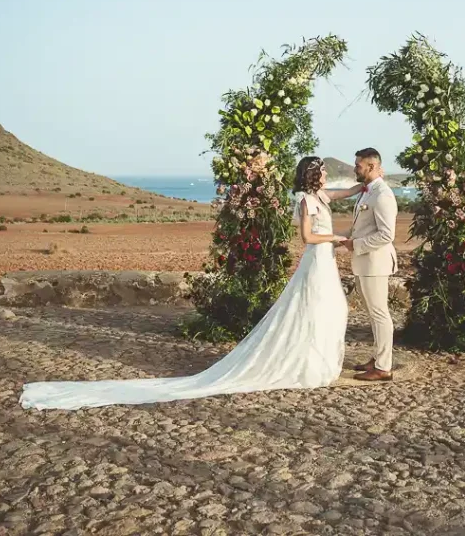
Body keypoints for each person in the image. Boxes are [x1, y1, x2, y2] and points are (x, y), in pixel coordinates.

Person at [19, 156, 362, 410]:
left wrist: (366, 185)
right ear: (314, 175)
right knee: (316, 309)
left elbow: (344, 194)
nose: (328, 175)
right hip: (317, 260)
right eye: (323, 171)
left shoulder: (322, 197)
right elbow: (306, 237)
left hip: (325, 263)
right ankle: (306, 362)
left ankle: (315, 358)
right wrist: (338, 238)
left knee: (329, 310)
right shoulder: (305, 200)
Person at [339, 147, 398, 382]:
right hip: (365, 264)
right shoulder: (367, 192)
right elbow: (358, 228)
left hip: (375, 263)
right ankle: (379, 357)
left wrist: (356, 245)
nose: (355, 168)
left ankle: (384, 367)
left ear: (371, 166)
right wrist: (335, 240)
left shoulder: (382, 194)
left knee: (380, 314)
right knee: (374, 315)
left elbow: (387, 235)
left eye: (358, 165)